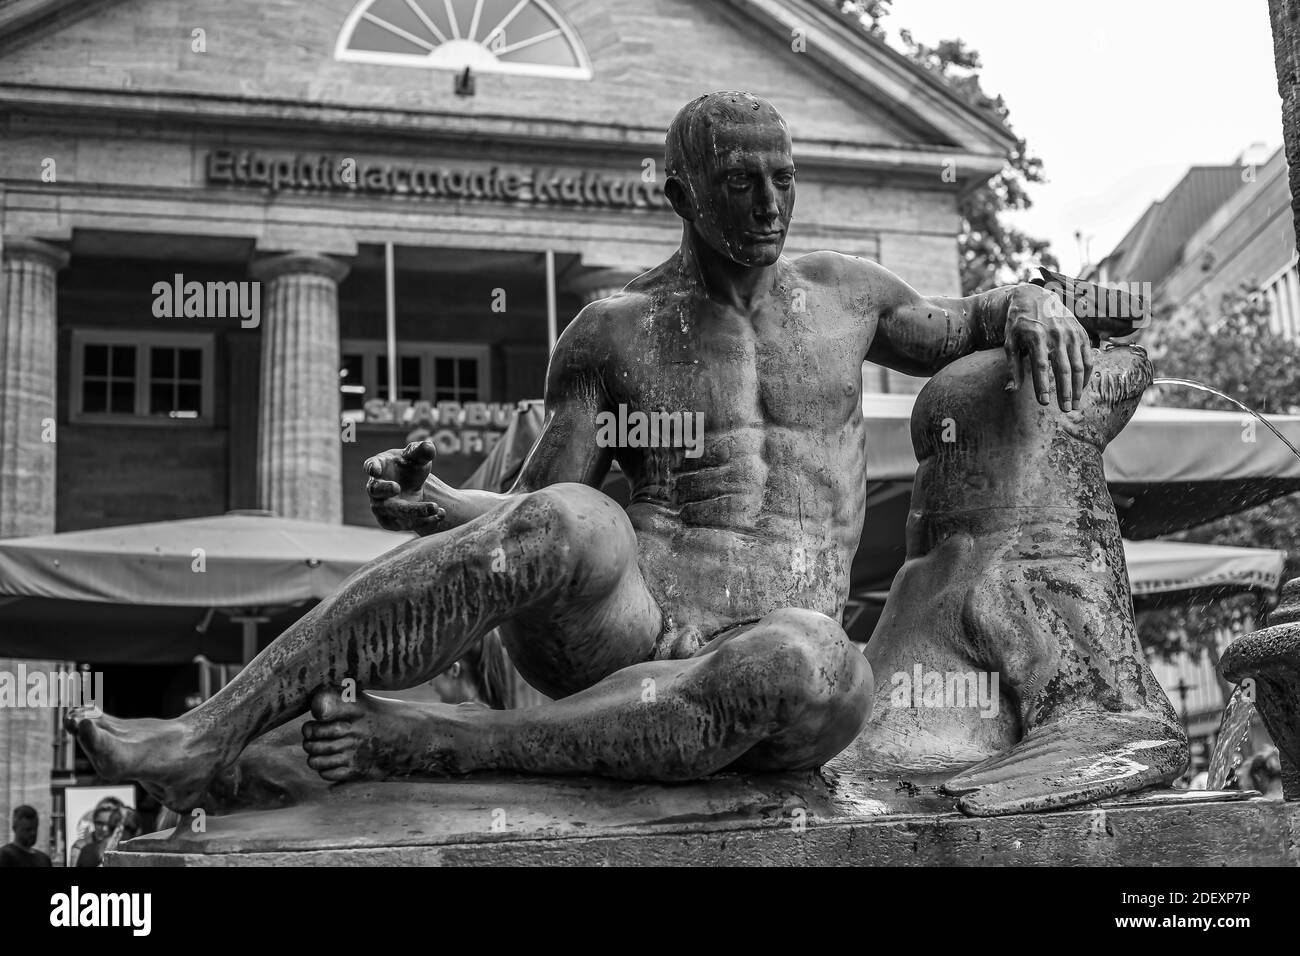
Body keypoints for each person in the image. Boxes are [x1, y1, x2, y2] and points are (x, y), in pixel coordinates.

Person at [67, 91, 1103, 813]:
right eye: (740, 183)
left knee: (807, 660)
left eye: (782, 179)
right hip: (628, 623)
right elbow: (537, 509)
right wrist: (437, 505)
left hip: (770, 652)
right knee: (576, 519)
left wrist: (1032, 300)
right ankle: (206, 733)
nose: (769, 203)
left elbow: (959, 323)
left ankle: (438, 743)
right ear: (681, 193)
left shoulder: (851, 295)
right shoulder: (615, 329)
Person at [74, 798, 124, 867]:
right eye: (99, 823)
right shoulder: (83, 849)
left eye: (109, 824)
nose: (104, 829)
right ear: (93, 822)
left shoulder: (124, 849)